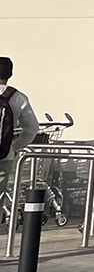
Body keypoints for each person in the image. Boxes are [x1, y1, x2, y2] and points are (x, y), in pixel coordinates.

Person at [0, 57, 40, 205]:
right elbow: (32, 128)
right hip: (4, 155)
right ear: (10, 74)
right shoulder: (18, 98)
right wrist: (15, 147)